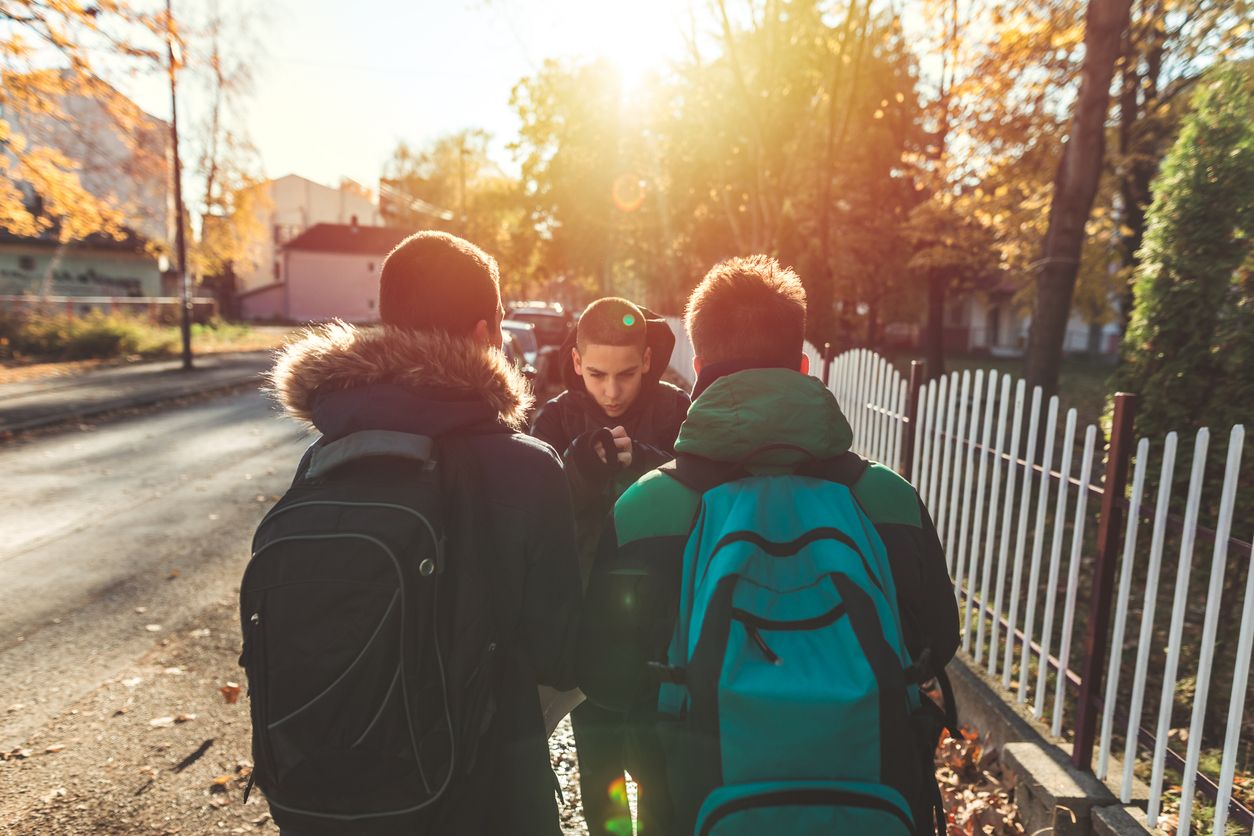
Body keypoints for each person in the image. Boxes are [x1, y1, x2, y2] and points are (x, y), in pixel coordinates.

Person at [577, 256, 961, 835]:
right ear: (804, 366)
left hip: (692, 808)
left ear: (699, 366)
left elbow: (604, 680)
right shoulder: (887, 500)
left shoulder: (647, 508)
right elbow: (938, 641)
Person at [256, 231, 582, 835]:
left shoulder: (325, 457)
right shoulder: (528, 467)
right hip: (486, 794)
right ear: (487, 334)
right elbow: (562, 653)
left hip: (327, 792)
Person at [530, 296, 690, 835]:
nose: (613, 391)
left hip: (664, 630)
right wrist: (576, 472)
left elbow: (704, 498)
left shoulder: (676, 410)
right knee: (601, 784)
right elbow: (534, 526)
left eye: (626, 373)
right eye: (597, 374)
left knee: (660, 777)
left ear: (647, 358)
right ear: (576, 362)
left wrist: (648, 465)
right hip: (587, 628)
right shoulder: (553, 419)